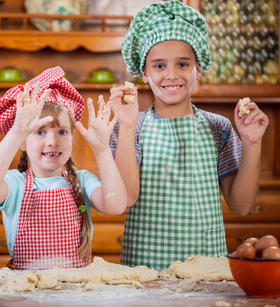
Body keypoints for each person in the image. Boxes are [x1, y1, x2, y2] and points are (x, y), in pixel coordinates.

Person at [109, 0, 269, 269]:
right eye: (159, 66)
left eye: (183, 64)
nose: (171, 75)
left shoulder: (219, 128)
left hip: (205, 268)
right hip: (147, 270)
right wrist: (125, 126)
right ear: (144, 73)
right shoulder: (131, 127)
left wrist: (252, 142)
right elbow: (127, 198)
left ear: (198, 68)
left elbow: (241, 206)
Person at [0, 66, 131, 270]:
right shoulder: (16, 184)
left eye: (62, 132)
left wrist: (102, 150)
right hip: (28, 290)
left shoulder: (83, 182)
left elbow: (117, 205)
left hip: (76, 292)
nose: (52, 142)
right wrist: (16, 133)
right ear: (23, 141)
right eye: (40, 132)